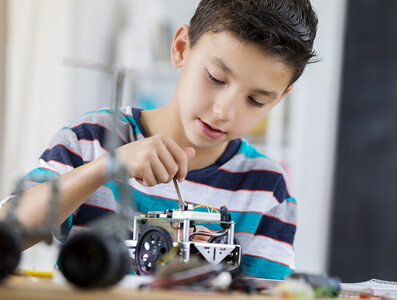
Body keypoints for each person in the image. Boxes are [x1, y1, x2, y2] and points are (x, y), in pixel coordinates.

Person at [0, 0, 317, 280]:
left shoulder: (267, 189)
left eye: (257, 100)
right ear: (181, 48)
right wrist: (105, 168)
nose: (225, 112)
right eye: (216, 78)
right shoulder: (93, 138)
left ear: (280, 98)